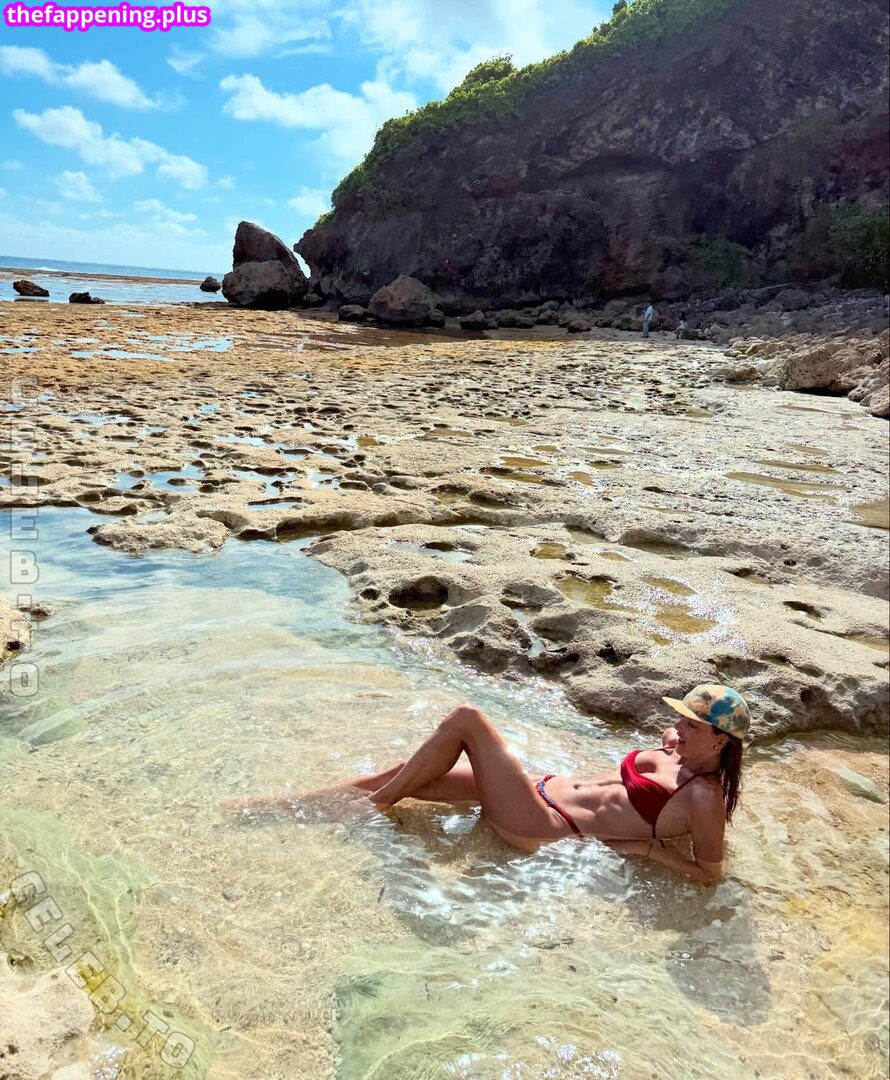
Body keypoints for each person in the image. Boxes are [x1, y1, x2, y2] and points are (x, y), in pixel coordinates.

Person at [228, 684, 750, 886]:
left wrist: (645, 850)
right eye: (680, 719)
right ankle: (278, 807)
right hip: (539, 789)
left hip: (542, 824)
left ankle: (372, 807)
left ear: (721, 742)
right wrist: (675, 738)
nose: (677, 727)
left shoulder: (703, 798)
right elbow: (640, 773)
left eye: (691, 725)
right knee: (410, 773)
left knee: (467, 720)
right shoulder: (676, 747)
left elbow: (710, 874)